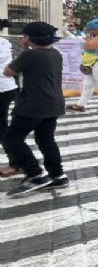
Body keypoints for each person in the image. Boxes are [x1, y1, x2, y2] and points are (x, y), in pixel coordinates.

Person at [2, 22, 68, 196]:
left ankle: (35, 173)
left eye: (24, 36)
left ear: (30, 38)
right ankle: (57, 175)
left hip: (33, 105)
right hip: (53, 103)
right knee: (46, 140)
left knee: (11, 139)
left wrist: (24, 51)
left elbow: (8, 72)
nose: (23, 38)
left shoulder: (30, 55)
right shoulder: (55, 53)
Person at [0, 27, 21, 178]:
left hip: (2, 89)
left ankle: (15, 162)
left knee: (1, 128)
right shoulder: (5, 42)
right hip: (8, 87)